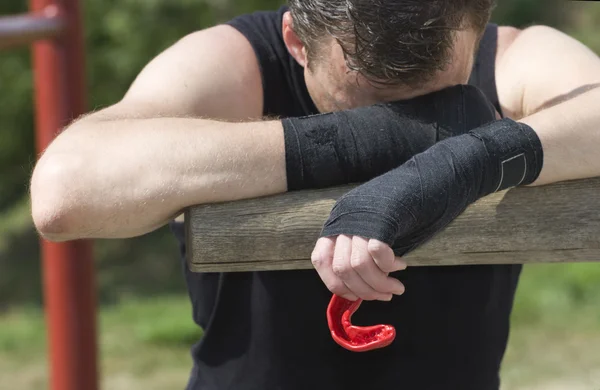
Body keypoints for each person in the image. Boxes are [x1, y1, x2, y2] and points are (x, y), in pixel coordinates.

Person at [29, 1, 600, 389]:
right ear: (296, 39)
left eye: (428, 100)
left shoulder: (511, 56)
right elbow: (64, 190)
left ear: (474, 29)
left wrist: (462, 161)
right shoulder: (236, 61)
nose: (399, 114)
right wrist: (373, 139)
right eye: (370, 96)